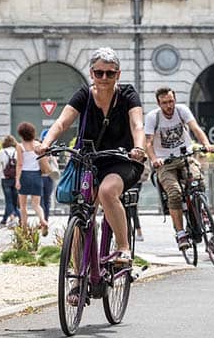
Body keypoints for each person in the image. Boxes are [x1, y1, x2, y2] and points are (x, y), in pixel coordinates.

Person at [37, 47, 146, 265]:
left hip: (122, 159)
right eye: (99, 73)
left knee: (107, 191)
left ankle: (123, 248)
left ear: (118, 74)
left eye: (110, 73)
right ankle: (79, 279)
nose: (104, 78)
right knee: (81, 214)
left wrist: (139, 148)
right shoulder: (84, 94)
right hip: (88, 160)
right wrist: (45, 144)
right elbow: (62, 122)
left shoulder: (127, 95)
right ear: (91, 73)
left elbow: (137, 124)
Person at [144, 87, 214, 251]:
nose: (169, 106)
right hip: (165, 163)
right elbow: (148, 142)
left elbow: (196, 128)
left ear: (175, 100)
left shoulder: (182, 110)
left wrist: (206, 144)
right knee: (174, 193)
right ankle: (181, 233)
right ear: (158, 103)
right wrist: (154, 159)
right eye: (165, 103)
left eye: (171, 101)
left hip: (185, 157)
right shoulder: (152, 117)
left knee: (197, 181)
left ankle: (201, 210)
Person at [15, 122, 48, 236]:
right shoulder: (38, 145)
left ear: (21, 134)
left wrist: (17, 180)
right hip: (36, 176)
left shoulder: (20, 146)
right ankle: (42, 220)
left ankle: (24, 230)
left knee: (23, 206)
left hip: (24, 175)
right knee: (36, 205)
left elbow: (19, 164)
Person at [0, 135, 21, 227]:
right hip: (16, 179)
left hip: (5, 179)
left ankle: (13, 218)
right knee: (14, 201)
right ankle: (8, 220)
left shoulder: (2, 152)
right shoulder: (17, 151)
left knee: (9, 201)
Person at [39, 129, 59, 223]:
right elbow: (56, 165)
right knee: (46, 199)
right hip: (47, 178)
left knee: (43, 199)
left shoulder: (40, 149)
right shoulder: (50, 150)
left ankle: (44, 219)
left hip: (42, 177)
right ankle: (45, 219)